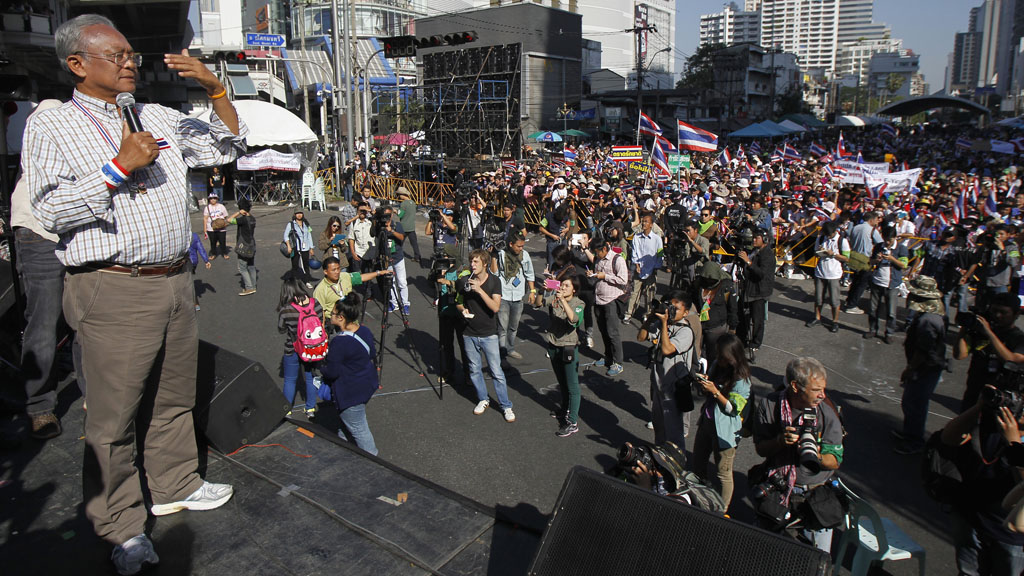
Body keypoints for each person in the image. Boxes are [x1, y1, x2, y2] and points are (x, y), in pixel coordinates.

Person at [25, 14, 243, 574]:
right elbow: (50, 209)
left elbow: (222, 144)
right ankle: (119, 523)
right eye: (115, 56)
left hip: (173, 279)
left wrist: (215, 87)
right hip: (114, 286)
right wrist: (118, 168)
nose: (130, 64)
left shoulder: (156, 114)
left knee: (174, 398)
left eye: (131, 55)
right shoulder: (50, 125)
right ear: (77, 64)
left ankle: (173, 485)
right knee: (113, 418)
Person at [751, 357, 844, 553]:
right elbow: (760, 448)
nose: (822, 395)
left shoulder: (827, 413)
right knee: (769, 551)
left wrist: (814, 454)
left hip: (814, 498)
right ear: (795, 386)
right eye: (816, 390)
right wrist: (779, 442)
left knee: (815, 557)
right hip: (778, 489)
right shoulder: (770, 405)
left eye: (823, 389)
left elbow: (835, 461)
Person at [941, 387, 1024, 575]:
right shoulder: (995, 423)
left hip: (1010, 537)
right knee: (968, 572)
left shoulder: (1011, 434)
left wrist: (1014, 444)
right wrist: (980, 406)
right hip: (970, 517)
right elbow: (949, 438)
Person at [690, 333, 751, 512]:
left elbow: (733, 409)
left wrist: (716, 392)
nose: (718, 358)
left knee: (723, 473)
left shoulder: (742, 379)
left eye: (722, 356)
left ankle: (722, 509)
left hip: (725, 432)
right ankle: (700, 491)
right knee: (698, 460)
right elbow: (710, 386)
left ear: (732, 356)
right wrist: (705, 384)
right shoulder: (717, 365)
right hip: (707, 422)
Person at [457, 249, 515, 422]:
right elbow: (458, 302)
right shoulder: (465, 281)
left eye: (476, 262)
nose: (472, 265)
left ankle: (506, 406)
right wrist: (463, 310)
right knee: (474, 370)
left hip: (489, 334)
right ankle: (483, 399)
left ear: (485, 264)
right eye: (471, 262)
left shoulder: (494, 282)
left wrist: (480, 290)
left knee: (496, 371)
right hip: (469, 332)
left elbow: (495, 307)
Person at [892, 276, 948, 455]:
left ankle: (914, 440)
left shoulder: (929, 320)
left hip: (925, 368)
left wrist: (910, 369)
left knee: (915, 402)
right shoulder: (931, 314)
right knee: (912, 401)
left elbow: (923, 351)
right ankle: (910, 431)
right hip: (925, 366)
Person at [320, 292, 379, 455]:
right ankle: (344, 450)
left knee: (359, 429)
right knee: (348, 423)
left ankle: (375, 461)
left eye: (332, 313)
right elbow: (372, 354)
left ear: (341, 317)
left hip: (350, 392)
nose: (330, 315)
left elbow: (332, 372)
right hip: (366, 384)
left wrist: (321, 367)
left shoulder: (339, 342)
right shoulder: (365, 331)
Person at [637, 290, 696, 451]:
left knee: (674, 433)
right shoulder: (663, 324)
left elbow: (667, 349)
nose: (671, 311)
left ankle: (676, 464)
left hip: (674, 389)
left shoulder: (685, 331)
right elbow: (641, 337)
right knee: (659, 428)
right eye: (670, 306)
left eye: (676, 308)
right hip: (658, 385)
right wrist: (650, 318)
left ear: (686, 312)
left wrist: (663, 324)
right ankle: (660, 459)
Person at [954, 292, 1024, 411]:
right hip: (974, 392)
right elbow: (960, 355)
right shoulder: (981, 332)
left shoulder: (1018, 338)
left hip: (999, 398)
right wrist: (964, 329)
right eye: (994, 310)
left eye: (1003, 312)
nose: (997, 315)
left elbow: (1011, 359)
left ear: (1016, 314)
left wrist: (989, 333)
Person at [546, 276, 586, 437]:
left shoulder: (578, 303)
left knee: (572, 385)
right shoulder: (554, 297)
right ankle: (564, 408)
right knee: (561, 381)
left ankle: (572, 421)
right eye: (561, 285)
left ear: (573, 289)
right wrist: (544, 291)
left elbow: (574, 320)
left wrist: (562, 301)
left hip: (568, 346)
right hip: (553, 344)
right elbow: (536, 303)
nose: (562, 287)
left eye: (566, 286)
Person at [278, 279, 323, 419]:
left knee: (290, 379)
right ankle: (310, 408)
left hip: (293, 347)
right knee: (309, 378)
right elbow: (321, 321)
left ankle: (287, 410)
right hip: (312, 348)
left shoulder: (286, 309)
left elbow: (281, 329)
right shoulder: (315, 303)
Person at [492, 231, 537, 361]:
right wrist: (494, 256)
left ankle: (510, 348)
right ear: (511, 244)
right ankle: (502, 353)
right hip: (503, 295)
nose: (521, 248)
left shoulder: (525, 256)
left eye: (522, 246)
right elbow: (494, 273)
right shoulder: (501, 254)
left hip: (518, 297)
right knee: (502, 327)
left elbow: (530, 274)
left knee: (513, 327)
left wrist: (532, 292)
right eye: (519, 246)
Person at [586, 239, 629, 377]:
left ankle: (618, 362)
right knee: (603, 331)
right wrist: (593, 274)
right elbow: (598, 274)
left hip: (612, 299)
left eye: (598, 252)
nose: (596, 255)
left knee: (612, 332)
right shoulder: (599, 260)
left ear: (605, 248)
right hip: (599, 299)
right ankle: (608, 357)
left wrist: (606, 276)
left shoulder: (617, 260)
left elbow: (623, 279)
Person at [312, 256, 390, 328]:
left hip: (351, 321)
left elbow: (361, 277)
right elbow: (320, 313)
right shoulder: (320, 290)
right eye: (333, 270)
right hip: (336, 325)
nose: (337, 272)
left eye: (338, 268)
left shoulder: (345, 276)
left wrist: (378, 273)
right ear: (325, 271)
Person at [736, 227, 775, 362]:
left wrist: (748, 262)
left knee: (757, 320)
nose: (753, 240)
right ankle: (741, 340)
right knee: (742, 316)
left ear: (764, 240)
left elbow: (761, 273)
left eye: (756, 238)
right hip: (748, 289)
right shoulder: (754, 251)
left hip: (759, 292)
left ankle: (755, 344)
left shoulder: (767, 255)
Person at [864, 226, 908, 343]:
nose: (888, 242)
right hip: (877, 282)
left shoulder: (901, 248)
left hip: (892, 284)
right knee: (873, 309)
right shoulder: (879, 247)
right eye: (886, 239)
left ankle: (889, 332)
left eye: (890, 240)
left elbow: (903, 265)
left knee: (891, 312)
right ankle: (873, 329)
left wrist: (892, 259)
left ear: (895, 238)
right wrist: (876, 260)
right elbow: (870, 261)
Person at [695, 261, 739, 372]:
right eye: (706, 279)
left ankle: (712, 376)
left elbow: (733, 308)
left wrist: (732, 328)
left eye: (712, 280)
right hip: (699, 325)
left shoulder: (726, 287)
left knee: (714, 355)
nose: (709, 282)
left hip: (716, 328)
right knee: (696, 353)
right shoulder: (697, 283)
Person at [806, 220, 849, 333]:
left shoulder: (842, 241)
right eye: (826, 235)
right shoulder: (821, 238)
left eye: (829, 235)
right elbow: (815, 252)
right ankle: (817, 317)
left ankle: (835, 321)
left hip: (834, 274)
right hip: (820, 272)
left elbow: (846, 258)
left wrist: (833, 254)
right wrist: (820, 252)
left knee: (834, 300)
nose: (828, 237)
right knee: (818, 298)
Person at [842, 211, 882, 314]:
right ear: (871, 219)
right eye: (877, 219)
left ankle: (849, 301)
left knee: (855, 281)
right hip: (865, 259)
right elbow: (880, 243)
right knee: (862, 283)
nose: (878, 221)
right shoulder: (872, 230)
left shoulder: (856, 228)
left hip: (854, 256)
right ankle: (852, 305)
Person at [626, 212, 663, 322]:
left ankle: (647, 314)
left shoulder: (657, 239)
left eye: (646, 221)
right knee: (634, 292)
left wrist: (655, 268)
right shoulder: (637, 237)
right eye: (643, 221)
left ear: (651, 224)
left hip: (651, 270)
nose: (643, 223)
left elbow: (660, 255)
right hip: (639, 269)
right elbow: (635, 252)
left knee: (649, 295)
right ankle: (629, 313)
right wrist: (637, 264)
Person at [230, 197, 257, 295]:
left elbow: (229, 220)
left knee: (242, 267)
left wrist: (239, 213)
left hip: (243, 245)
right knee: (251, 266)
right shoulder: (253, 219)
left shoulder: (242, 220)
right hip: (252, 244)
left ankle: (249, 287)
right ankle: (253, 286)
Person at [284, 209, 315, 288]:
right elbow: (285, 236)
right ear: (294, 214)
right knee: (295, 265)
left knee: (306, 265)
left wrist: (311, 248)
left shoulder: (306, 224)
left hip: (305, 248)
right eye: (297, 213)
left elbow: (309, 236)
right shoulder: (291, 224)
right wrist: (288, 246)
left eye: (300, 213)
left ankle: (307, 281)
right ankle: (294, 282)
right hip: (295, 248)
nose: (299, 215)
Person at [396, 187, 422, 264]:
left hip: (404, 226)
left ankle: (397, 255)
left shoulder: (403, 204)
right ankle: (417, 256)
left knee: (399, 242)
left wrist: (395, 211)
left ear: (402, 195)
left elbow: (400, 215)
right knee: (414, 244)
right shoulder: (413, 203)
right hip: (411, 227)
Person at [187, 231, 212, 310]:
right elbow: (200, 248)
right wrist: (206, 260)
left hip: (184, 263)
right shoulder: (194, 236)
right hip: (194, 262)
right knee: (190, 280)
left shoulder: (178, 236)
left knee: (187, 283)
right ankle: (195, 303)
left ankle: (194, 302)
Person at [203, 192, 229, 259]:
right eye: (211, 198)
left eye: (214, 198)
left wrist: (223, 223)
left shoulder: (221, 206)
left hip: (221, 228)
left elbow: (225, 216)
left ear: (217, 199)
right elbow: (205, 219)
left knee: (222, 241)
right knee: (213, 242)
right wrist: (205, 230)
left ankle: (224, 253)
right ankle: (213, 253)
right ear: (209, 199)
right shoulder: (207, 208)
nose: (213, 200)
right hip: (211, 228)